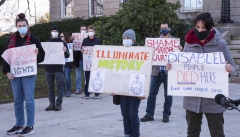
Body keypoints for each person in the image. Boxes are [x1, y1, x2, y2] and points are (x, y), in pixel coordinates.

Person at [166, 12, 235, 137]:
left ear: (211, 28)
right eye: (197, 27)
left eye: (203, 28)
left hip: (214, 101)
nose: (200, 30)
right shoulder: (189, 43)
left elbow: (233, 68)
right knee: (192, 133)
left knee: (217, 133)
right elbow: (182, 65)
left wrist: (229, 70)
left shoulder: (220, 44)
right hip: (192, 100)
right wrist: (171, 67)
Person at [2, 13, 45, 136]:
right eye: (20, 25)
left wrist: (37, 54)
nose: (22, 27)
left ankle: (30, 126)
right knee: (17, 100)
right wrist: (6, 72)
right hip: (15, 75)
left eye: (24, 25)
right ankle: (19, 125)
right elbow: (6, 58)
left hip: (29, 74)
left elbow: (42, 57)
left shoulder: (34, 39)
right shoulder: (11, 40)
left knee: (29, 100)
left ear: (28, 25)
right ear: (16, 26)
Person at [140, 22, 182, 123]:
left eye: (165, 28)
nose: (164, 29)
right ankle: (149, 114)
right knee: (151, 94)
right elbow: (148, 55)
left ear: (169, 29)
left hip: (169, 72)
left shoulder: (174, 42)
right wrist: (147, 48)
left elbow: (179, 58)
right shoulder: (155, 42)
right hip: (156, 72)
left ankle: (166, 115)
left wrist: (180, 49)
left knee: (168, 95)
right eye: (162, 28)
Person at [112, 29, 145, 137]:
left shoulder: (141, 53)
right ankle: (127, 133)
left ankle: (135, 134)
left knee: (133, 114)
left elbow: (145, 72)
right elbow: (114, 71)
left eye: (128, 38)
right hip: (122, 88)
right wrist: (112, 87)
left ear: (134, 40)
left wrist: (143, 91)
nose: (126, 40)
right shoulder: (119, 53)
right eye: (124, 38)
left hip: (135, 87)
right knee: (125, 114)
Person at [45, 25, 70, 111]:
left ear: (58, 32)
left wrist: (65, 51)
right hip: (48, 69)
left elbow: (68, 55)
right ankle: (52, 103)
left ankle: (59, 104)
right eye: (53, 31)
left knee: (60, 86)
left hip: (59, 68)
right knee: (50, 87)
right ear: (51, 32)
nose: (54, 32)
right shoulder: (47, 42)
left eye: (56, 31)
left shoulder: (62, 43)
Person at [82, 25, 102, 99]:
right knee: (87, 78)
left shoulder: (98, 40)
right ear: (87, 32)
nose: (91, 32)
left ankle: (97, 93)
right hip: (87, 62)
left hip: (95, 62)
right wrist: (82, 50)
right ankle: (87, 93)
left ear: (94, 32)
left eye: (92, 31)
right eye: (89, 31)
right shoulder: (84, 40)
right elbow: (82, 49)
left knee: (96, 77)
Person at [74, 25, 87, 95]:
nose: (83, 31)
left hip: (87, 59)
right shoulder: (76, 38)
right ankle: (78, 89)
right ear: (80, 30)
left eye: (84, 29)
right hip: (79, 59)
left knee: (86, 75)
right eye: (82, 29)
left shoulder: (88, 38)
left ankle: (86, 89)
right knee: (78, 75)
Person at [60, 32, 73, 97]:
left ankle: (68, 91)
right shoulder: (58, 44)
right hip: (61, 63)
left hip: (68, 63)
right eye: (60, 36)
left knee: (67, 78)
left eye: (62, 36)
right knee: (62, 78)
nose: (61, 37)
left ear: (65, 37)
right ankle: (62, 91)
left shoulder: (69, 44)